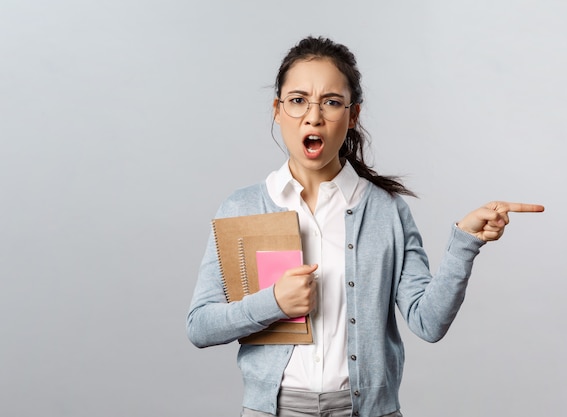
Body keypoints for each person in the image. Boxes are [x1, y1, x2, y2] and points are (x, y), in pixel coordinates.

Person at [187, 36, 544, 417]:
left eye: (331, 102)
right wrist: (273, 303)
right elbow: (200, 326)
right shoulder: (242, 208)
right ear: (277, 110)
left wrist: (465, 241)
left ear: (352, 115)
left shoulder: (387, 211)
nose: (313, 116)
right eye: (297, 100)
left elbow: (429, 322)